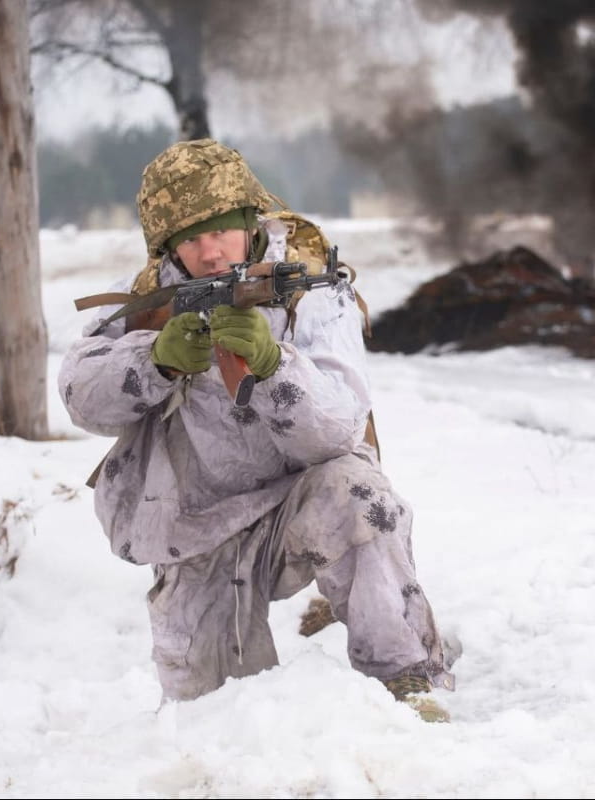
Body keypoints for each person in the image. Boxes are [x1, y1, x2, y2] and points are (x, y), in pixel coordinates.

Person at [57, 138, 454, 722]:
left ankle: (406, 675)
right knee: (210, 718)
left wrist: (274, 367)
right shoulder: (147, 299)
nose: (210, 252)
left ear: (250, 220)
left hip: (299, 503)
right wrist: (154, 360)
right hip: (196, 527)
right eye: (190, 239)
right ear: (167, 246)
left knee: (361, 496)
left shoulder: (311, 290)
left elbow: (342, 428)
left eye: (221, 230)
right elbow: (79, 396)